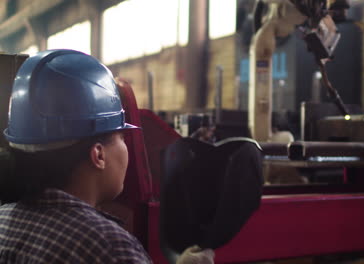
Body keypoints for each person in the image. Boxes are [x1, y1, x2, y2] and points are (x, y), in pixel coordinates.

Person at [0, 49, 214, 263]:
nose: (125, 146)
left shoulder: (4, 219)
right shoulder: (108, 247)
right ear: (98, 154)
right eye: (122, 137)